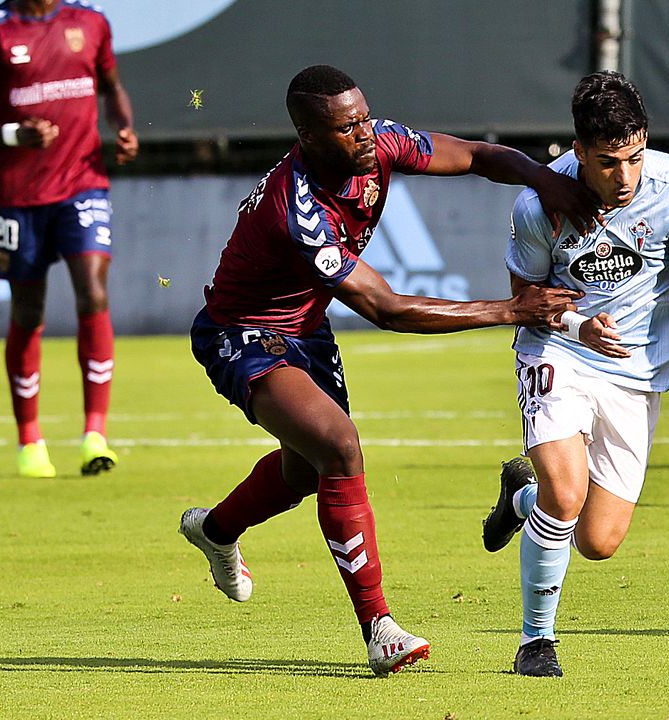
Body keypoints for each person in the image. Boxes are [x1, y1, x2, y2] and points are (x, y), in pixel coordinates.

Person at [178, 65, 603, 677]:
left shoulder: (379, 142)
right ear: (309, 136)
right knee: (340, 447)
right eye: (347, 127)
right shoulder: (295, 209)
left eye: (364, 116)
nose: (365, 134)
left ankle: (215, 530)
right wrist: (511, 309)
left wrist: (542, 177)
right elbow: (387, 308)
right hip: (240, 332)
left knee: (305, 472)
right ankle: (380, 629)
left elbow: (478, 155)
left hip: (304, 326)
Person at [480, 71, 669, 677]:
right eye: (611, 163)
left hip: (638, 368)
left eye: (636, 157)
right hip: (555, 350)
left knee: (598, 541)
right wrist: (575, 326)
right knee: (567, 495)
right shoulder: (541, 203)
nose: (627, 178)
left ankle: (524, 495)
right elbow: (524, 294)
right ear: (580, 150)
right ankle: (537, 641)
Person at [0, 0, 138, 478]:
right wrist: (13, 134)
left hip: (83, 184)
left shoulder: (90, 22)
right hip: (18, 196)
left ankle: (95, 433)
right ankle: (29, 440)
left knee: (93, 292)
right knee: (28, 310)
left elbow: (113, 89)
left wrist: (123, 129)